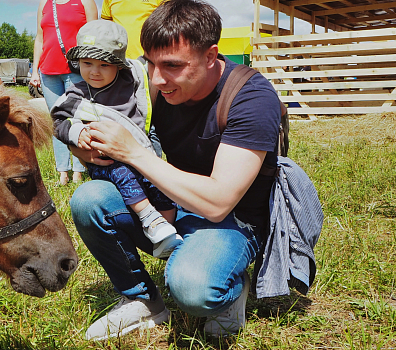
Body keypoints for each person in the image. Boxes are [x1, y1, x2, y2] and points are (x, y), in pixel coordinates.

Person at [69, 0, 281, 341]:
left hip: (231, 219)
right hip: (171, 203)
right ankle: (143, 300)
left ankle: (231, 286)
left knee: (192, 288)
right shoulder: (152, 86)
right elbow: (88, 110)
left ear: (211, 56)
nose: (156, 78)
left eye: (171, 66)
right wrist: (82, 145)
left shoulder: (251, 97)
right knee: (89, 198)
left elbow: (219, 202)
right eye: (150, 63)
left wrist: (135, 154)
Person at [50, 20, 181, 259]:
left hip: (140, 153)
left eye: (104, 64)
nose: (94, 71)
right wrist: (77, 133)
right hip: (107, 160)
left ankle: (166, 233)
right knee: (123, 174)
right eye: (86, 63)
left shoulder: (133, 80)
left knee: (162, 182)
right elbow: (56, 120)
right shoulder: (77, 94)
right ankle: (149, 219)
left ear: (119, 66)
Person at [29, 0, 98, 186]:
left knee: (78, 119)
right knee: (56, 122)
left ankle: (79, 171)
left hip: (76, 71)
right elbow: (39, 38)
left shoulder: (85, 2)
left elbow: (94, 36)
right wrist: (35, 71)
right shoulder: (44, 3)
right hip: (48, 73)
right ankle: (62, 172)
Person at [101, 0, 165, 157]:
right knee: (126, 116)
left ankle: (154, 169)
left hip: (149, 64)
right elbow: (105, 30)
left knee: (152, 121)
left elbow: (169, 22)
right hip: (120, 67)